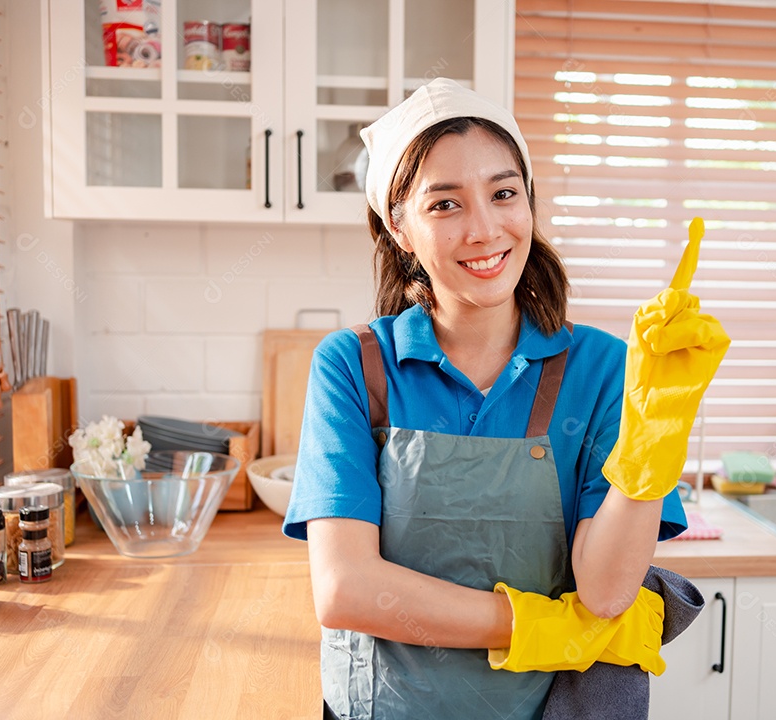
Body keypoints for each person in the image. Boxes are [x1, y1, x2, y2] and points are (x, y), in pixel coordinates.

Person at [283, 78, 726, 719]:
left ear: (529, 204)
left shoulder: (603, 368)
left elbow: (604, 594)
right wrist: (537, 627)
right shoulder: (356, 367)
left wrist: (654, 440)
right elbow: (346, 589)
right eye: (445, 205)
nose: (485, 229)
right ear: (398, 228)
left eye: (503, 193)